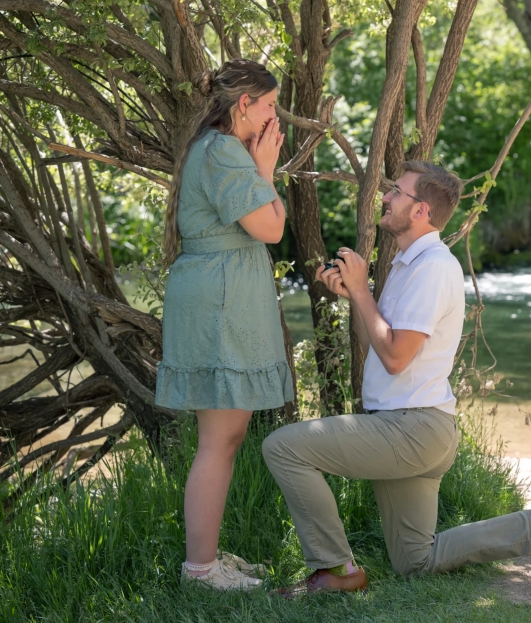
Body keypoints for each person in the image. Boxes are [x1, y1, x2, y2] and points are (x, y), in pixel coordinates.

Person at [261, 161, 531, 596]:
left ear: (421, 211)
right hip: (414, 425)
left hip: (411, 427)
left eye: (397, 191)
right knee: (416, 560)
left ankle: (335, 569)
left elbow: (395, 358)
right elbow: (382, 343)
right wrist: (355, 297)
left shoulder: (433, 267)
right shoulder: (408, 263)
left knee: (283, 447)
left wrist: (361, 291)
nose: (387, 196)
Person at [155, 59, 294, 591]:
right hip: (216, 300)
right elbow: (272, 225)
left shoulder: (224, 151)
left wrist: (259, 168)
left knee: (228, 434)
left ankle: (207, 560)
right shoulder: (223, 152)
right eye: (269, 106)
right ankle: (201, 571)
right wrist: (265, 170)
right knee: (218, 439)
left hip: (224, 295)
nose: (273, 116)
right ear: (245, 106)